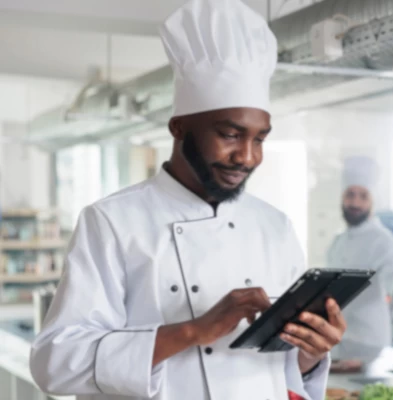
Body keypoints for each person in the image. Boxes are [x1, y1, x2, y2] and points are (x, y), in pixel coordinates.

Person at [29, 1, 343, 399]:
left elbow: (278, 374)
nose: (247, 157)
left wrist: (310, 352)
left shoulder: (275, 227)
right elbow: (54, 364)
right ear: (178, 127)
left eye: (259, 139)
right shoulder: (113, 222)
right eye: (230, 134)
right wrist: (194, 330)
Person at [326, 156, 393, 363]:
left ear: (372, 201)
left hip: (370, 343)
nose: (355, 202)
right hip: (337, 341)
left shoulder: (382, 239)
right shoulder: (337, 242)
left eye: (363, 196)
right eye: (350, 195)